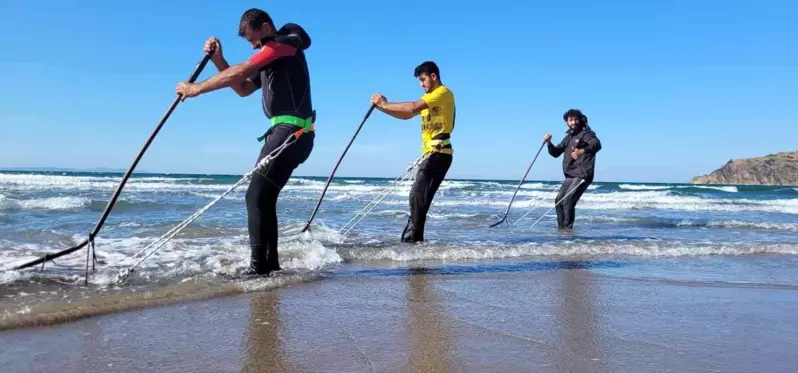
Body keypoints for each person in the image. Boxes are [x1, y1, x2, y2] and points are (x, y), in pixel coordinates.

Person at [176, 8, 315, 276]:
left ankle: (257, 269)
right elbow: (242, 87)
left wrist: (196, 89)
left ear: (265, 27)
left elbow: (243, 68)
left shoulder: (286, 42)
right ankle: (270, 266)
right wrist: (219, 59)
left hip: (292, 131)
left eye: (253, 39)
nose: (253, 46)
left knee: (254, 195)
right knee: (265, 198)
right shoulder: (271, 56)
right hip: (290, 133)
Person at [370, 61, 455, 243]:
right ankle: (414, 244)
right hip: (431, 155)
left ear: (433, 76)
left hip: (440, 154)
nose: (421, 84)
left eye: (423, 79)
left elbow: (412, 107)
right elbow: (406, 114)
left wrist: (384, 104)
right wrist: (382, 108)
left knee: (417, 196)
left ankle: (412, 242)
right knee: (419, 200)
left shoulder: (442, 93)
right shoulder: (430, 99)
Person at [543, 109, 601, 229]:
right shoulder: (569, 137)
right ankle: (561, 230)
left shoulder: (586, 133)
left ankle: (567, 233)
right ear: (567, 122)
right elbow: (556, 152)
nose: (573, 122)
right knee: (558, 201)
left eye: (575, 119)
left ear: (579, 120)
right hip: (570, 175)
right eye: (570, 120)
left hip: (582, 174)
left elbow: (597, 144)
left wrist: (581, 151)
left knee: (568, 202)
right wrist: (549, 143)